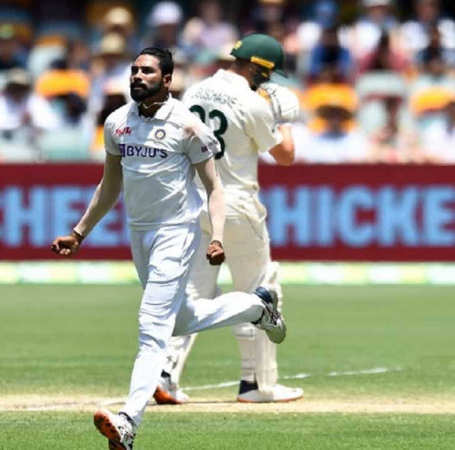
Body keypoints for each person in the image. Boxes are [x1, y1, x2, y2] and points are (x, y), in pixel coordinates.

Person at [51, 47, 287, 449]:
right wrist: (80, 232)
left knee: (152, 327)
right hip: (140, 233)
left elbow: (214, 187)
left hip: (177, 231)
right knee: (181, 318)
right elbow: (111, 185)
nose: (137, 76)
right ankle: (256, 306)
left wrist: (214, 236)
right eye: (134, 70)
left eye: (147, 71)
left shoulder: (187, 125)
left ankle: (128, 420)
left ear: (166, 79)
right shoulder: (116, 122)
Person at [153, 34, 303, 406]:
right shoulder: (253, 103)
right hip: (235, 205)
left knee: (191, 294)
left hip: (195, 202)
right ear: (257, 68)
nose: (267, 84)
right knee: (261, 291)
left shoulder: (195, 92)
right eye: (267, 76)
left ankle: (165, 376)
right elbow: (285, 156)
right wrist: (283, 119)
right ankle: (258, 385)